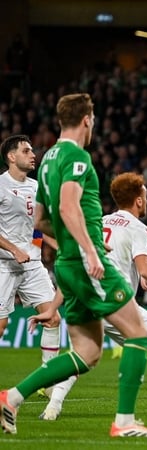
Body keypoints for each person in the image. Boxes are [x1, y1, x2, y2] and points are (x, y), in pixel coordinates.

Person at [0, 93, 147, 438]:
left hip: (66, 265)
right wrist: (90, 249)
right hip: (86, 264)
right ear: (87, 119)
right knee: (136, 334)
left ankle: (11, 397)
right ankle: (125, 421)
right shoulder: (76, 155)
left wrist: (81, 238)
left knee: (87, 353)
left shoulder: (46, 161)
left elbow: (41, 220)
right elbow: (67, 208)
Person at [36, 172, 147, 424]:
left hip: (87, 298)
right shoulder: (140, 229)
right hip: (117, 303)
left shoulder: (99, 221)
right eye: (145, 196)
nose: (146, 202)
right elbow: (146, 269)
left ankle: (52, 408)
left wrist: (57, 303)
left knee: (82, 356)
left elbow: (78, 262)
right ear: (138, 200)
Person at [0, 135, 61, 373]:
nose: (33, 154)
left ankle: (47, 378)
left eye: (32, 150)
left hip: (32, 264)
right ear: (11, 157)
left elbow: (38, 225)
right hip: (4, 264)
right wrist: (14, 249)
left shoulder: (36, 187)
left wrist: (57, 243)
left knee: (52, 318)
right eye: (26, 151)